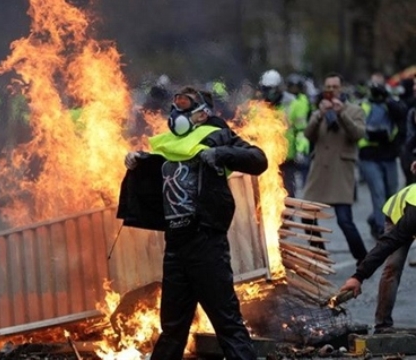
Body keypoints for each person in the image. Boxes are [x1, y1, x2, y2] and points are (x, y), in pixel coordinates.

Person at [117, 88, 268, 360]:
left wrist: (221, 154)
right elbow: (166, 168)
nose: (177, 114)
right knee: (172, 328)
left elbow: (258, 160)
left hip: (205, 242)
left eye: (185, 107)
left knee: (227, 323)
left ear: (201, 113)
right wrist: (139, 161)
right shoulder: (170, 144)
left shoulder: (218, 135)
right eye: (176, 107)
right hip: (175, 246)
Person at [301, 72, 368, 263]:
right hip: (320, 170)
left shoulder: (354, 110)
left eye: (334, 87)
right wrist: (319, 116)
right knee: (307, 215)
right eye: (328, 87)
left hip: (340, 171)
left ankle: (362, 257)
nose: (331, 91)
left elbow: (358, 134)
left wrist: (342, 114)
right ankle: (319, 256)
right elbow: (308, 135)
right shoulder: (318, 111)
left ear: (341, 88)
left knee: (344, 220)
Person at [340, 180, 416, 333]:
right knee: (392, 267)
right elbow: (388, 243)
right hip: (398, 217)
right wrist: (358, 276)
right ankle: (383, 324)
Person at [358, 81, 407, 239]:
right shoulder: (363, 105)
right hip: (369, 156)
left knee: (391, 194)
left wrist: (387, 99)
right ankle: (383, 230)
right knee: (378, 193)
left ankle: (374, 219)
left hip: (389, 155)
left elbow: (402, 113)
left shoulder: (391, 104)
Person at [257, 69, 307, 198]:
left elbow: (300, 130)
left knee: (288, 193)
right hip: (265, 159)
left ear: (279, 88)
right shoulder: (258, 107)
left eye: (271, 89)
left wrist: (300, 150)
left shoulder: (292, 104)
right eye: (265, 89)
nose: (268, 93)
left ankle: (288, 217)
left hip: (287, 158)